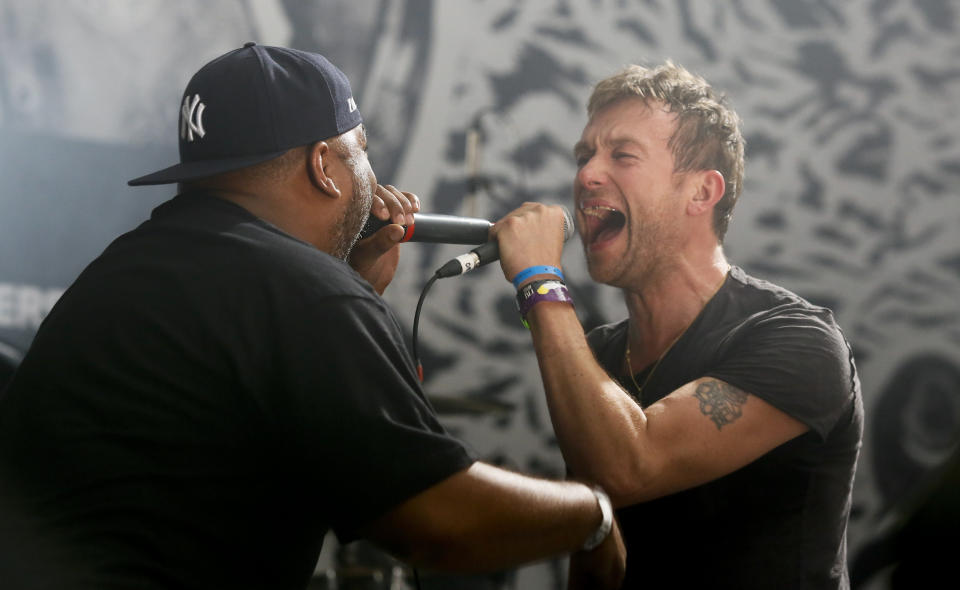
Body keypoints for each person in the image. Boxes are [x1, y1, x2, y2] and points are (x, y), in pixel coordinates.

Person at [0, 43, 625, 590]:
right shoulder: (306, 296)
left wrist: (346, 282)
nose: (375, 180)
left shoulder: (127, 268)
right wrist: (592, 515)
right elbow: (438, 525)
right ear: (324, 167)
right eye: (361, 152)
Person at [490, 61, 863, 588]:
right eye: (584, 156)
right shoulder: (596, 356)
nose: (586, 175)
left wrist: (540, 282)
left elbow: (629, 466)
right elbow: (599, 548)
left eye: (622, 154)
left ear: (702, 193)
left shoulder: (797, 339)